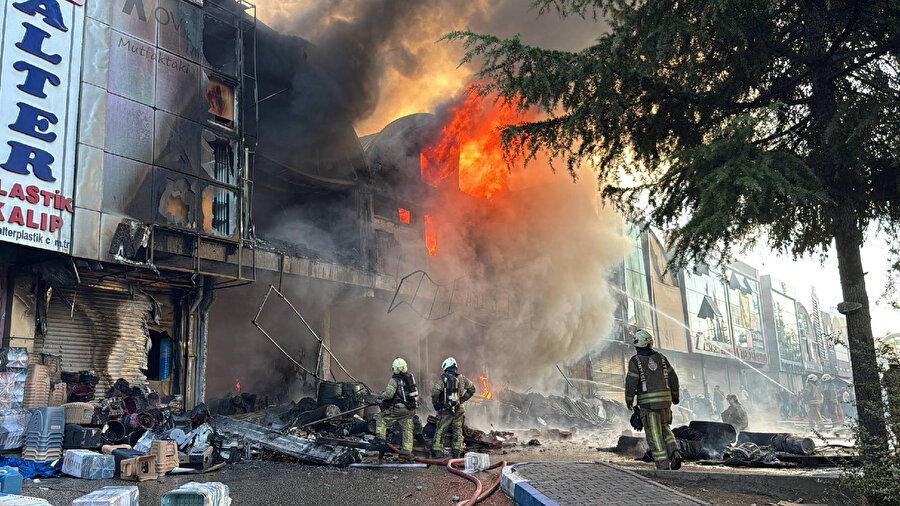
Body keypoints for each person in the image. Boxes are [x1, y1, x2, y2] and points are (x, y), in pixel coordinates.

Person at [625, 329, 682, 470]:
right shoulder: (662, 358)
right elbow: (673, 378)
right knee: (665, 429)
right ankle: (675, 452)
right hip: (665, 404)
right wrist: (675, 397)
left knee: (654, 434)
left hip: (648, 406)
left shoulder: (636, 361)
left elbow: (631, 381)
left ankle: (663, 465)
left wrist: (629, 400)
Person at [431, 357, 476, 459]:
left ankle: (437, 451)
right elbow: (472, 389)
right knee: (457, 430)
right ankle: (457, 451)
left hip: (445, 409)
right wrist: (463, 399)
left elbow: (435, 392)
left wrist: (436, 404)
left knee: (441, 429)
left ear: (445, 367)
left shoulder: (443, 379)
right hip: (459, 408)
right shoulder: (462, 378)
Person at [374, 357, 418, 458]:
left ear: (395, 368)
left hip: (398, 408)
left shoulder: (394, 380)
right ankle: (407, 452)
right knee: (407, 429)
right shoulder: (409, 379)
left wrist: (381, 396)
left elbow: (389, 395)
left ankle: (380, 439)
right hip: (410, 410)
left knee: (381, 418)